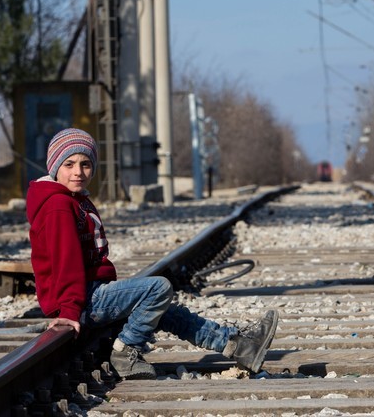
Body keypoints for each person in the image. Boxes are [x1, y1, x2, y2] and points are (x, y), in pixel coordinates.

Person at [26, 128, 278, 379]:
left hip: (88, 292)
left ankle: (237, 346)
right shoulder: (58, 206)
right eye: (69, 164)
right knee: (158, 289)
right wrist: (69, 311)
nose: (78, 172)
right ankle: (126, 350)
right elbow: (65, 263)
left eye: (85, 164)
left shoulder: (75, 199)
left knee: (168, 310)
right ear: (55, 165)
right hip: (82, 299)